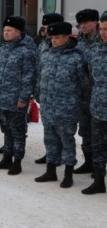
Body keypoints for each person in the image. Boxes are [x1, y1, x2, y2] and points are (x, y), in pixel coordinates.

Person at [34, 21, 90, 188]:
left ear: (67, 37)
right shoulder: (46, 55)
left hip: (67, 108)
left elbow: (85, 84)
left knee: (67, 141)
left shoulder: (77, 57)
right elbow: (40, 77)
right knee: (50, 139)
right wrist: (38, 95)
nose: (53, 41)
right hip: (48, 105)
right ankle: (51, 170)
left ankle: (68, 173)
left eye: (57, 37)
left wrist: (78, 103)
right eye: (51, 38)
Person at [0, 16, 37, 176]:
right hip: (1, 98)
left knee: (18, 131)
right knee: (6, 130)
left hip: (16, 100)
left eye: (9, 31)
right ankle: (7, 157)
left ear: (18, 32)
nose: (6, 33)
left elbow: (28, 78)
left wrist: (23, 98)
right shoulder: (1, 50)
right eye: (4, 30)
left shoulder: (26, 52)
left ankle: (17, 161)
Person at [72, 8, 101, 175]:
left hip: (98, 95)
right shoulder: (80, 41)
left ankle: (99, 164)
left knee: (99, 133)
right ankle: (89, 161)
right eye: (79, 23)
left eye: (85, 23)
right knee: (84, 130)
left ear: (95, 23)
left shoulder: (102, 40)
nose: (82, 26)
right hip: (82, 94)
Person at [34, 12, 65, 164]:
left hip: (61, 95)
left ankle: (61, 156)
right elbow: (39, 68)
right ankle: (51, 154)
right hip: (45, 92)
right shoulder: (43, 45)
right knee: (48, 127)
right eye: (45, 27)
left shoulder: (67, 47)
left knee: (61, 128)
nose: (46, 30)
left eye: (49, 27)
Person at [83, 11, 107, 194]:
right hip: (98, 107)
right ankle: (99, 181)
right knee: (98, 146)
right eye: (103, 28)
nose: (104, 33)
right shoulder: (95, 51)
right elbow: (90, 78)